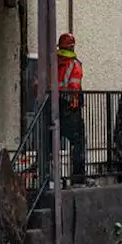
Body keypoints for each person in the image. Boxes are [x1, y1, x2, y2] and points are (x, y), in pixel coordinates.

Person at [56, 32, 87, 186]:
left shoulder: (53, 63)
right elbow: (75, 86)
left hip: (54, 107)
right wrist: (75, 101)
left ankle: (49, 176)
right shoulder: (75, 64)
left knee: (51, 142)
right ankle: (78, 178)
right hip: (70, 108)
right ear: (72, 46)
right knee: (79, 142)